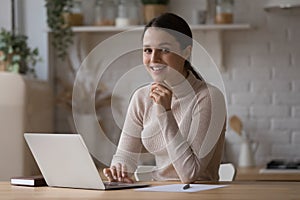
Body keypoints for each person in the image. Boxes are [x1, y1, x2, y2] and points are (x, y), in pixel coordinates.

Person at [103, 13, 226, 184]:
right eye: (148, 50)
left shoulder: (209, 97)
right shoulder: (141, 97)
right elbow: (125, 156)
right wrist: (119, 170)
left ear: (186, 52)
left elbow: (190, 175)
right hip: (157, 191)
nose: (154, 59)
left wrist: (165, 112)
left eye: (165, 50)